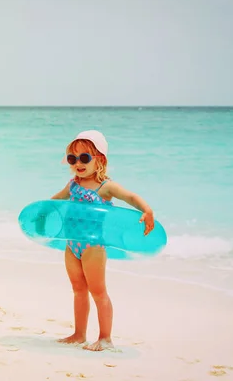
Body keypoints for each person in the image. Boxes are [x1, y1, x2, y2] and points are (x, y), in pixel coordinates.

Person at [51, 130, 155, 351]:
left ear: (100, 159)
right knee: (78, 289)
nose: (78, 163)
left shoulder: (105, 186)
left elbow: (131, 197)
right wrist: (40, 215)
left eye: (84, 158)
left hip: (93, 246)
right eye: (72, 158)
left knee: (98, 291)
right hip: (72, 243)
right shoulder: (72, 185)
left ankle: (105, 338)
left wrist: (146, 209)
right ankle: (79, 334)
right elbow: (54, 202)